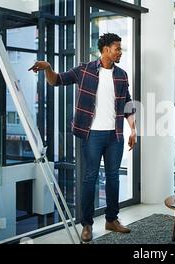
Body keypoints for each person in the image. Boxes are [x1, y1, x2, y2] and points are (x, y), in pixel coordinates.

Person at [29, 33, 137, 242]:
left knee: (113, 178)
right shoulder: (84, 70)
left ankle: (111, 219)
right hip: (92, 134)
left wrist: (133, 129)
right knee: (90, 178)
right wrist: (48, 67)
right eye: (117, 48)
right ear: (105, 49)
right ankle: (87, 224)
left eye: (120, 49)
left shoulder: (122, 75)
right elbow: (56, 81)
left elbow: (128, 104)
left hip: (115, 135)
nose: (120, 52)